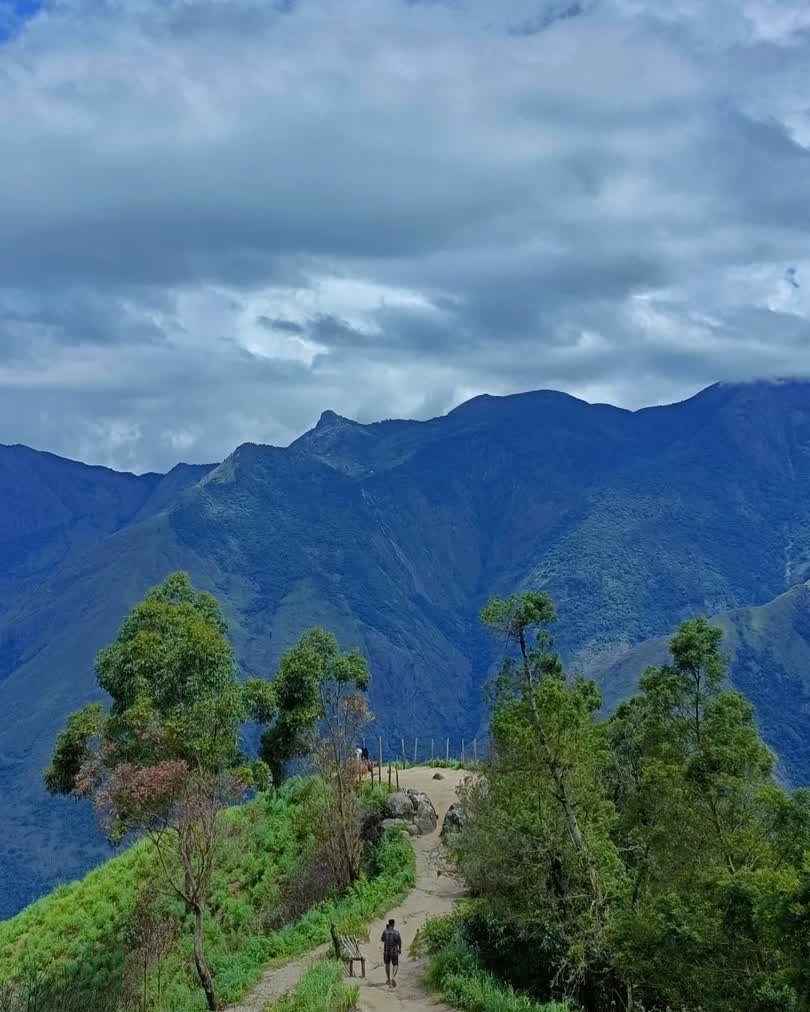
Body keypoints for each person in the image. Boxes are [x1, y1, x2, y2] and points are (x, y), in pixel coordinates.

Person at [381, 918, 402, 987]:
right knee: (395, 964)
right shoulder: (396, 932)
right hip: (394, 951)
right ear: (393, 924)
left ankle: (388, 979)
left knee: (387, 964)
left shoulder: (385, 931)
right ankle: (393, 977)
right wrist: (400, 949)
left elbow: (382, 939)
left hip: (386, 951)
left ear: (389, 924)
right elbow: (399, 942)